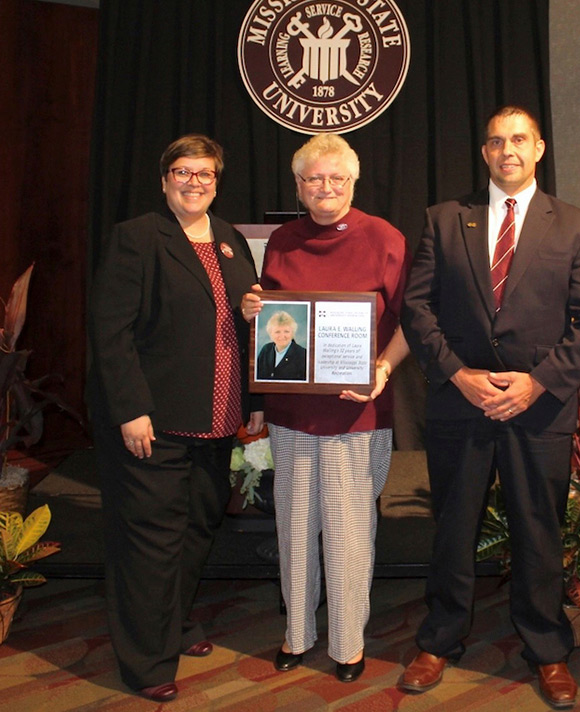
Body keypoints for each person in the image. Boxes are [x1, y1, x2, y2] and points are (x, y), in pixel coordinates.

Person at [399, 105, 580, 708]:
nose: (507, 150)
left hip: (538, 408)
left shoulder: (575, 225)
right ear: (485, 151)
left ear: (539, 148)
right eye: (496, 141)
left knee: (538, 531)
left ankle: (547, 650)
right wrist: (458, 375)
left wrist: (538, 383)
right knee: (453, 531)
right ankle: (439, 639)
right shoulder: (444, 220)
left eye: (519, 139)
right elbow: (418, 311)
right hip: (460, 404)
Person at [88, 134, 260, 702]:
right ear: (165, 181)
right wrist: (131, 408)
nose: (195, 182)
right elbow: (111, 332)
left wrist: (254, 397)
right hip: (153, 423)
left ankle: (176, 625)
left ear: (217, 181)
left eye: (205, 173)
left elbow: (241, 325)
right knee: (150, 544)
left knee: (194, 531)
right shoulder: (137, 238)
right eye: (183, 172)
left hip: (216, 423)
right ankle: (146, 661)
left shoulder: (232, 240)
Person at [242, 133, 410, 683]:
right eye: (314, 179)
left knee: (347, 532)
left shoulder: (383, 237)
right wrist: (253, 307)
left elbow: (412, 321)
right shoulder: (284, 240)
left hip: (355, 415)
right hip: (292, 415)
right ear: (298, 186)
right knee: (293, 528)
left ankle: (348, 644)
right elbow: (274, 319)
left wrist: (381, 370)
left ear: (353, 182)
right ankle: (298, 633)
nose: (326, 188)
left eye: (337, 178)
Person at [257, 310, 307, 380]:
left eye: (286, 331)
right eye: (277, 332)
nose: (282, 336)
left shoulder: (303, 355)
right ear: (270, 334)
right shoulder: (266, 350)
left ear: (292, 333)